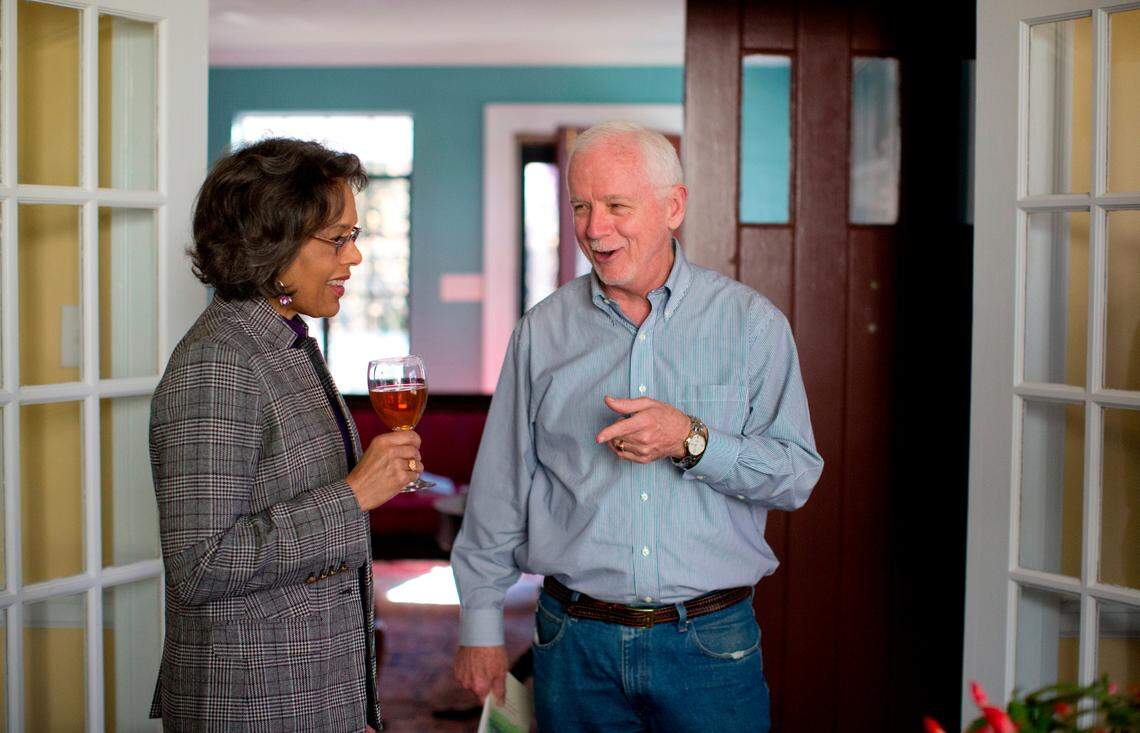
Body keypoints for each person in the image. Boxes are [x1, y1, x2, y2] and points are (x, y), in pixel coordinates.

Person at [451, 121, 823, 732]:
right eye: (580, 206)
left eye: (617, 206)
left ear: (673, 206)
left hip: (710, 645)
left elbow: (795, 478)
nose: (595, 229)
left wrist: (692, 441)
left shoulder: (752, 324)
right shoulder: (541, 333)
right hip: (573, 646)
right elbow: (499, 490)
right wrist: (481, 627)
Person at [149, 138, 421, 731]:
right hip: (254, 703)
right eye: (337, 239)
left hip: (312, 695)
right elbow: (201, 563)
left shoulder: (285, 341)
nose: (354, 258)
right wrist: (353, 496)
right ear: (271, 241)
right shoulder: (218, 362)